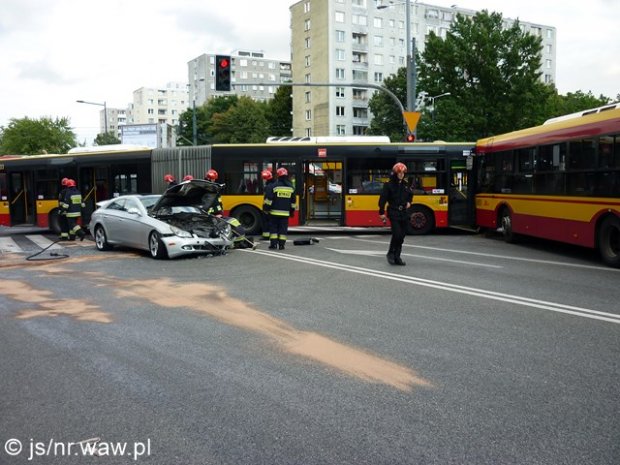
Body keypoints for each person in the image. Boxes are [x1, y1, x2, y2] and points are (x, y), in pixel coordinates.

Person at [378, 162, 413, 266]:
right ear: (395, 173)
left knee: (401, 236)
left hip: (404, 213)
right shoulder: (388, 185)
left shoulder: (406, 185)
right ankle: (390, 253)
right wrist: (381, 212)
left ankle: (397, 257)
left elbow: (411, 196)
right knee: (397, 234)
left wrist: (409, 203)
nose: (401, 174)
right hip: (393, 212)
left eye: (403, 173)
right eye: (399, 172)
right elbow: (382, 199)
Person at [264, 167, 296, 250]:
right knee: (283, 229)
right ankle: (282, 245)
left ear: (278, 176)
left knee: (273, 229)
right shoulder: (291, 187)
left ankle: (273, 244)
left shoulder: (274, 186)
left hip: (274, 213)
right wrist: (292, 212)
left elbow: (269, 199)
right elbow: (293, 202)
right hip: (285, 213)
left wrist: (266, 209)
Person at [260, 169, 274, 241]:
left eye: (264, 179)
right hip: (271, 207)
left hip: (267, 208)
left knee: (266, 222)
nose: (264, 180)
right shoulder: (273, 185)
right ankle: (268, 235)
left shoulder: (268, 187)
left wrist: (266, 208)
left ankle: (266, 236)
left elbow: (269, 198)